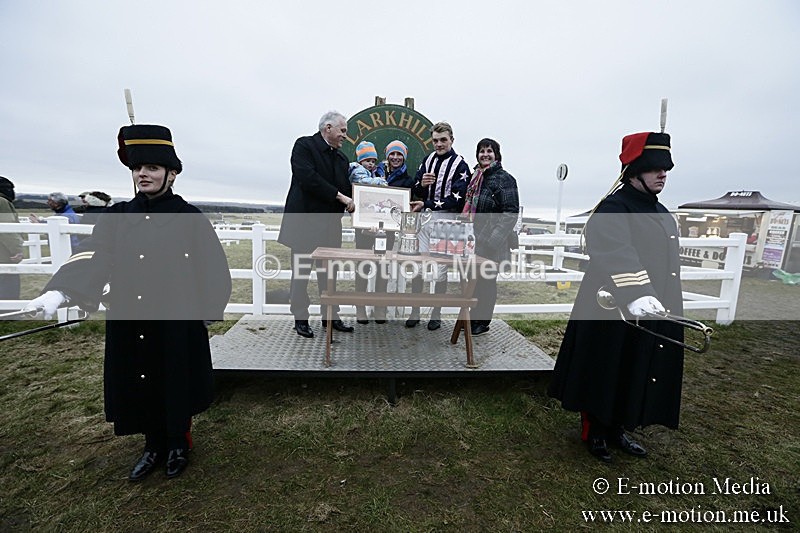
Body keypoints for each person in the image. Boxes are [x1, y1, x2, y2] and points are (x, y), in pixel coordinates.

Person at [24, 124, 232, 481]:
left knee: (174, 378)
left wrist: (207, 311)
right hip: (130, 315)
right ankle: (152, 445)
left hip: (176, 317)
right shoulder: (118, 215)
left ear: (172, 173)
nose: (142, 174)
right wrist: (61, 291)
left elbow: (213, 268)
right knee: (140, 378)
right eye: (138, 168)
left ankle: (178, 442)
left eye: (152, 167)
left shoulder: (190, 218)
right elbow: (94, 254)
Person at [547, 130, 683, 463]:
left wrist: (660, 300)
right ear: (635, 169)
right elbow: (613, 250)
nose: (662, 174)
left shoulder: (662, 212)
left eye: (665, 168)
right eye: (654, 167)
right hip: (608, 304)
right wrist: (638, 292)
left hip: (651, 307)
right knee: (604, 365)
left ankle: (619, 426)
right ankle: (594, 430)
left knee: (635, 364)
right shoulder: (613, 207)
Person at [278, 111, 356, 338]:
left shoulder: (341, 159)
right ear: (328, 128)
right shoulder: (304, 146)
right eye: (343, 131)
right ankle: (300, 319)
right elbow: (308, 178)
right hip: (304, 225)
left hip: (330, 227)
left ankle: (331, 317)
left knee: (329, 274)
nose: (345, 136)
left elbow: (348, 190)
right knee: (301, 275)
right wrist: (340, 197)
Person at [406, 122, 469, 330]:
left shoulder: (460, 165)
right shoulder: (428, 160)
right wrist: (421, 185)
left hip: (447, 220)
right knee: (419, 265)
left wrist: (428, 203)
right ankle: (415, 310)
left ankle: (436, 312)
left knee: (440, 268)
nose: (439, 144)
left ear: (452, 139)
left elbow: (458, 200)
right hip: (426, 219)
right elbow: (416, 189)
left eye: (443, 140)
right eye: (435, 140)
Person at [462, 138, 520, 337]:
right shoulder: (476, 177)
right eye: (481, 151)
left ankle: (482, 321)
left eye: (489, 151)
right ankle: (471, 317)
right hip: (473, 241)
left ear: (497, 154)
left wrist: (491, 241)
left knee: (486, 282)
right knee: (472, 280)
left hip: (491, 243)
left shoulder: (505, 179)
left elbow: (510, 213)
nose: (485, 155)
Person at [0, 176, 24, 299]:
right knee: (7, 281)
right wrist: (17, 250)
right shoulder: (2, 202)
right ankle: (8, 311)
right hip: (3, 253)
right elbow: (7, 229)